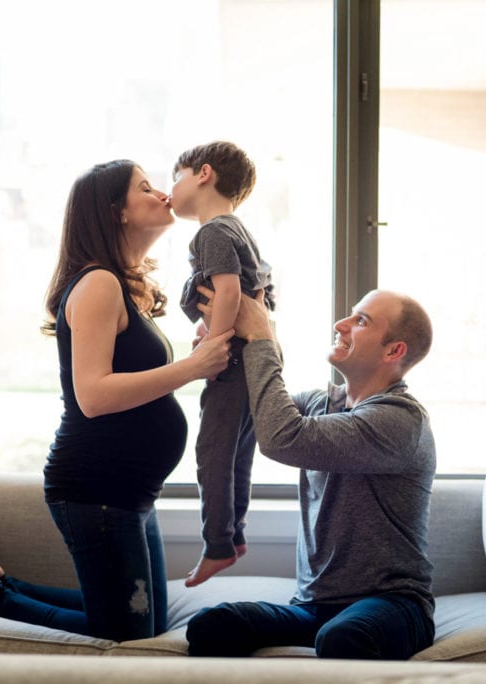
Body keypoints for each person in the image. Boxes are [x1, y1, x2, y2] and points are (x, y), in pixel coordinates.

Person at [0, 160, 233, 642]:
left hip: (128, 492)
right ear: (116, 210)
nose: (162, 194)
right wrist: (192, 368)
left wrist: (196, 354)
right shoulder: (97, 282)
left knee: (147, 625)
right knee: (127, 635)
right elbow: (93, 396)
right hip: (96, 492)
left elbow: (134, 376)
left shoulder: (122, 286)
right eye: (145, 187)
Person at [184, 286, 437, 660]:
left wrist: (263, 339)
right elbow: (256, 409)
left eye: (361, 321)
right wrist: (227, 345)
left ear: (393, 351)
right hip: (313, 606)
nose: (341, 324)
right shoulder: (322, 403)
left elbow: (282, 438)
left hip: (393, 604)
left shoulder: (400, 420)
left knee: (344, 637)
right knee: (211, 625)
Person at [169, 141, 276, 587]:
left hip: (235, 359)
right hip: (256, 355)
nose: (169, 190)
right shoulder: (239, 230)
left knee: (213, 450)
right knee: (237, 449)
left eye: (176, 177)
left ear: (203, 174)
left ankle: (218, 545)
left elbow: (230, 293)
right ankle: (235, 535)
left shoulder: (211, 232)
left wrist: (214, 347)